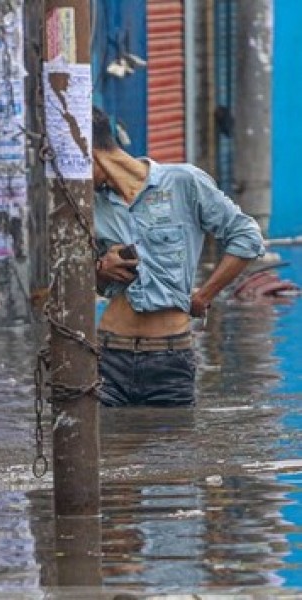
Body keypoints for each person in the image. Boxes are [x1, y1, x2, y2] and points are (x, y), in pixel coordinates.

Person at [92, 106, 265, 407]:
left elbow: (247, 237)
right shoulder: (88, 205)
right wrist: (100, 268)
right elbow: (85, 284)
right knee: (108, 450)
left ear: (90, 152)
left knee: (172, 449)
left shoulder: (184, 182)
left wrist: (203, 296)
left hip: (170, 359)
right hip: (109, 356)